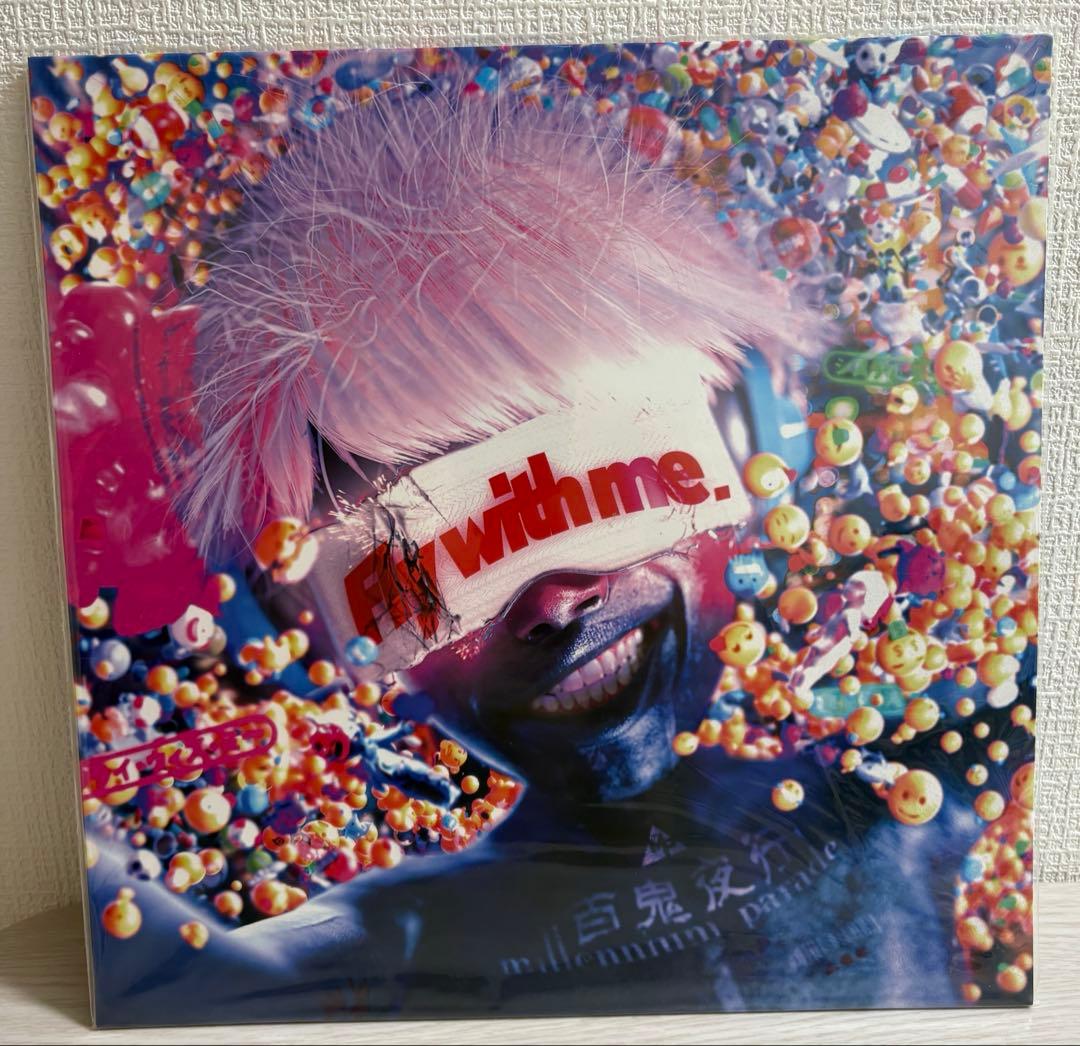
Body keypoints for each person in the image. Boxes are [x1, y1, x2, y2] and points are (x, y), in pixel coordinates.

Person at [84, 78, 993, 1026]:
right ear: (327, 633)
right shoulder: (401, 943)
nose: (554, 601)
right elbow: (205, 973)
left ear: (751, 445)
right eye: (428, 569)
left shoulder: (915, 781)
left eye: (607, 485)